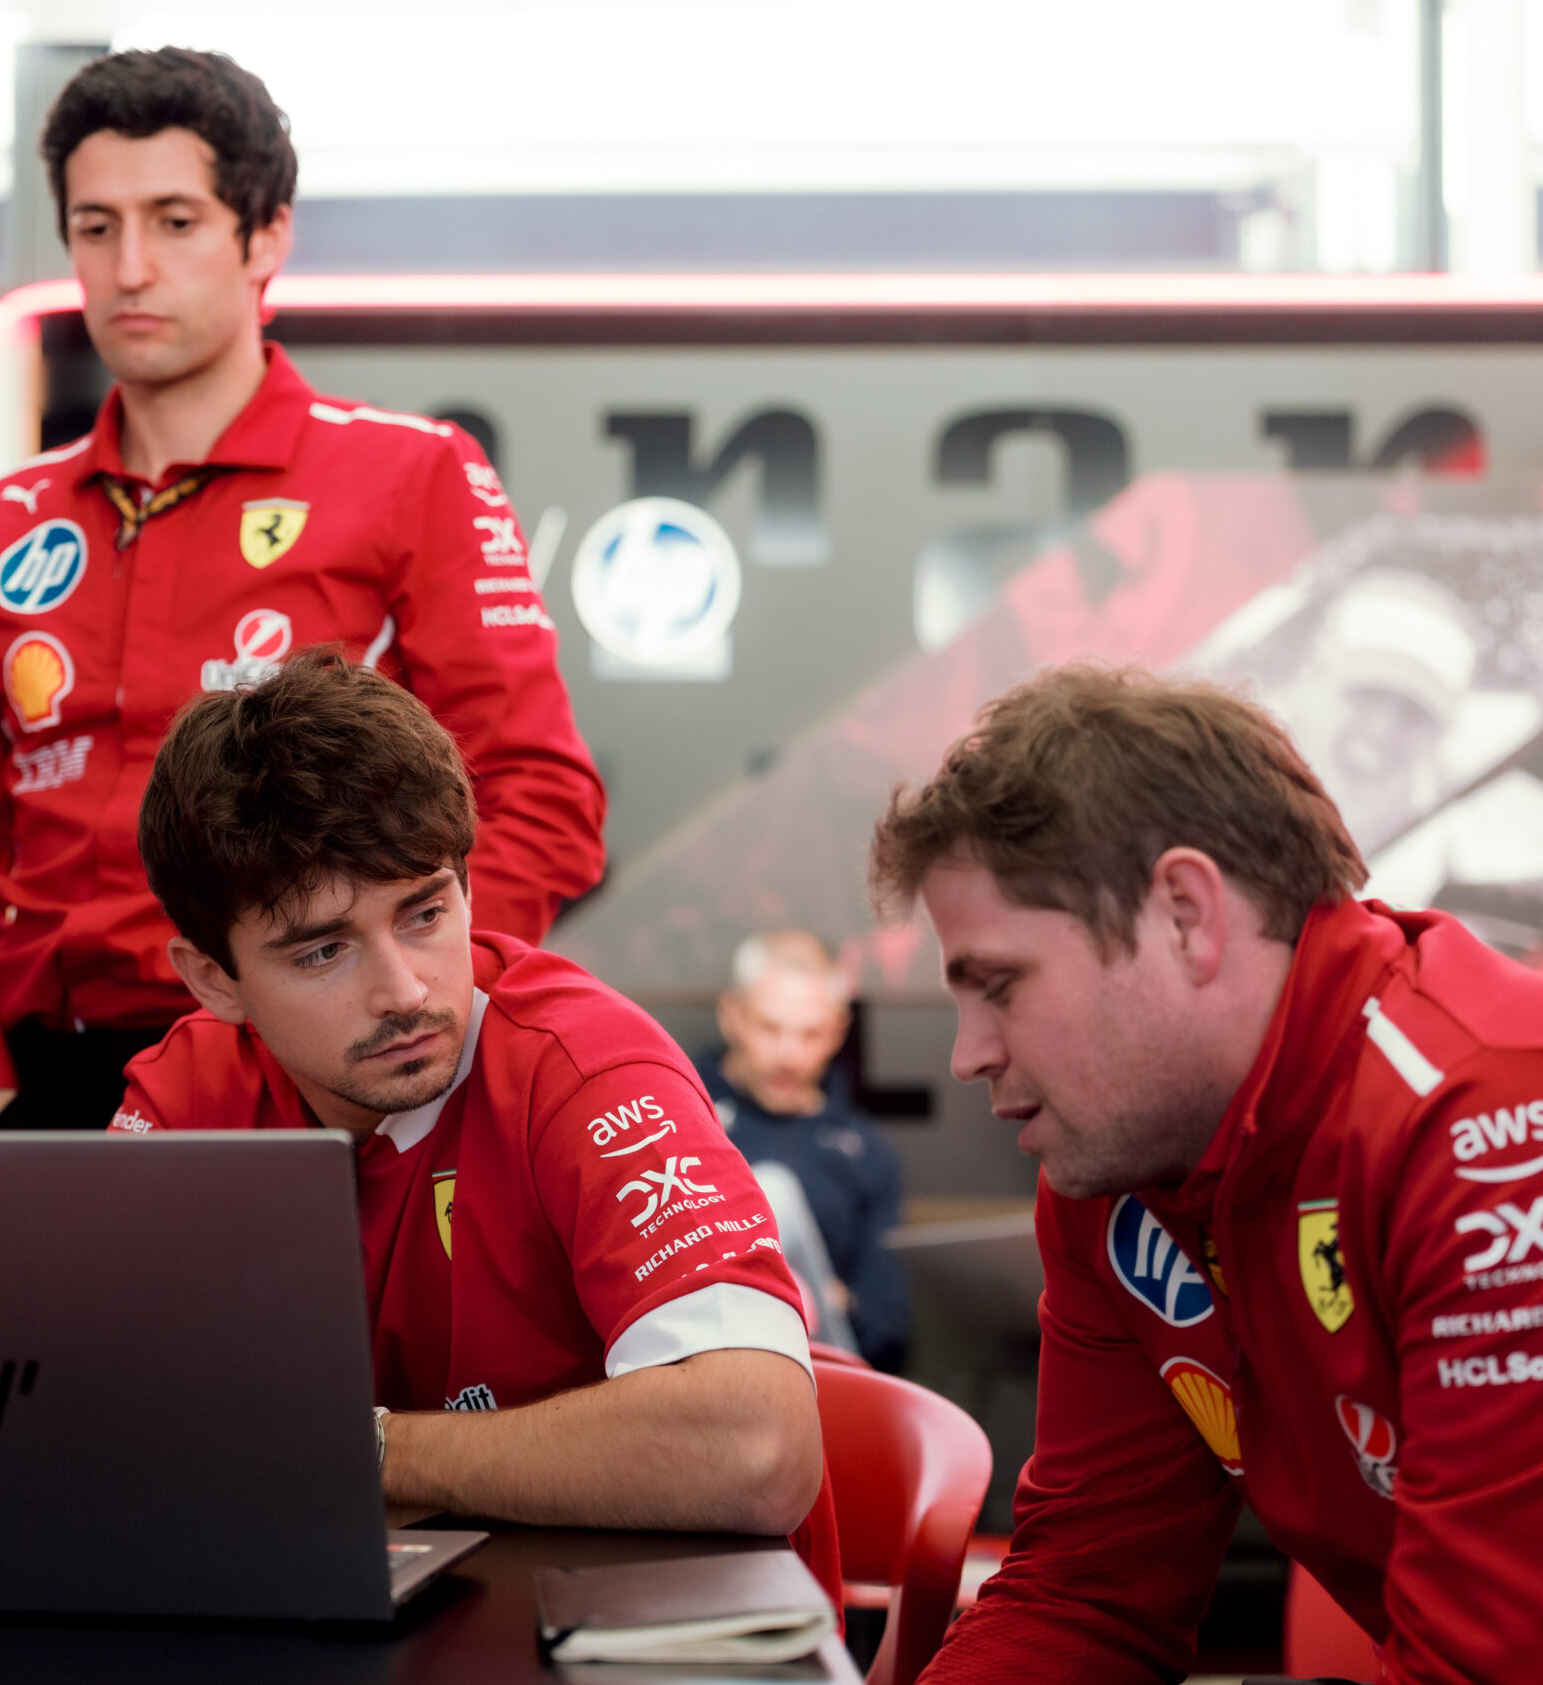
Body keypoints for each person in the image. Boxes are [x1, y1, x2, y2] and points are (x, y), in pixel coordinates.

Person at [0, 48, 605, 1131]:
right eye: (96, 226)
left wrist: (390, 1019)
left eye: (175, 221)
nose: (130, 268)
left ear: (265, 235)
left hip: (307, 1074)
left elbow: (542, 798)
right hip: (47, 1082)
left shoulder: (411, 475)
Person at [876, 664, 1543, 1683]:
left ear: (1186, 915)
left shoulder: (1487, 1123)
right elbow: (1083, 1597)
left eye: (1000, 984)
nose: (968, 1055)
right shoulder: (1119, 1165)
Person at [109, 648, 832, 1587]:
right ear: (214, 980)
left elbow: (759, 1448)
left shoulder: (588, 1068)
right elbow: (107, 1422)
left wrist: (361, 1451)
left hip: (651, 1630)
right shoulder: (185, 1097)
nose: (405, 991)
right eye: (324, 951)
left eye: (423, 912)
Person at [694, 931, 909, 1370]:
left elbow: (889, 1330)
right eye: (770, 1028)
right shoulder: (676, 1112)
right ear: (732, 1015)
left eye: (810, 1034)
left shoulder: (864, 1152)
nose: (788, 1055)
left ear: (838, 1031)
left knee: (776, 1192)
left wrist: (829, 1298)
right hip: (691, 1348)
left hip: (817, 1365)